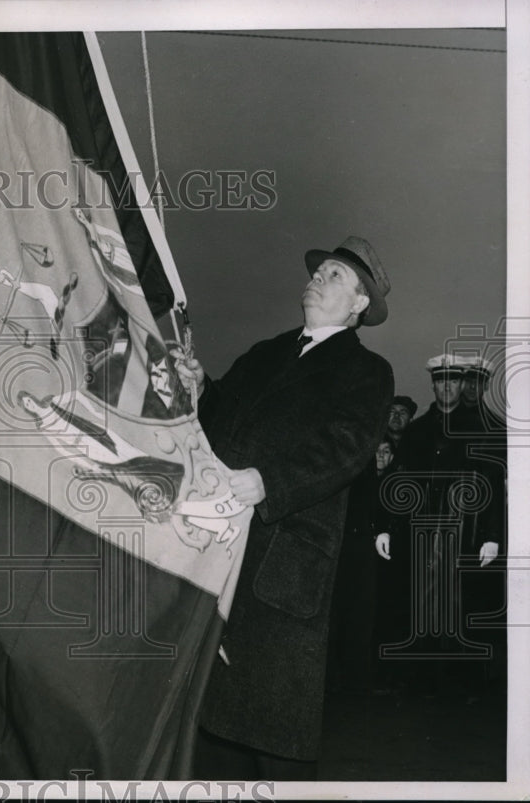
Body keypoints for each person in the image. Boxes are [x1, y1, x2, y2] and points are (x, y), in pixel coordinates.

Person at [179, 235, 394, 780]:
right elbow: (221, 422)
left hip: (284, 566)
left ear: (359, 304)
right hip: (222, 556)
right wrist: (198, 388)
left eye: (335, 277)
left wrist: (268, 481)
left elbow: (346, 449)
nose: (317, 279)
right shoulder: (265, 352)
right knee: (215, 735)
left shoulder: (367, 371)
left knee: (275, 737)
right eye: (317, 271)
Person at [375, 353, 504, 695]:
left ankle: (457, 682)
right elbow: (395, 480)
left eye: (454, 381)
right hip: (416, 533)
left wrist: (492, 536)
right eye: (441, 381)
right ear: (433, 385)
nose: (447, 387)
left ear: (462, 384)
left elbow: (493, 481)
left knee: (460, 604)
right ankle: (413, 678)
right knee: (411, 601)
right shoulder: (416, 432)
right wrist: (386, 526)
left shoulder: (482, 430)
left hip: (464, 534)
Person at [328, 437, 396, 694]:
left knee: (363, 616)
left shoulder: (391, 484)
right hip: (346, 546)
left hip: (368, 552)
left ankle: (356, 680)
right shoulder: (355, 474)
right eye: (376, 450)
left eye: (386, 452)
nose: (380, 456)